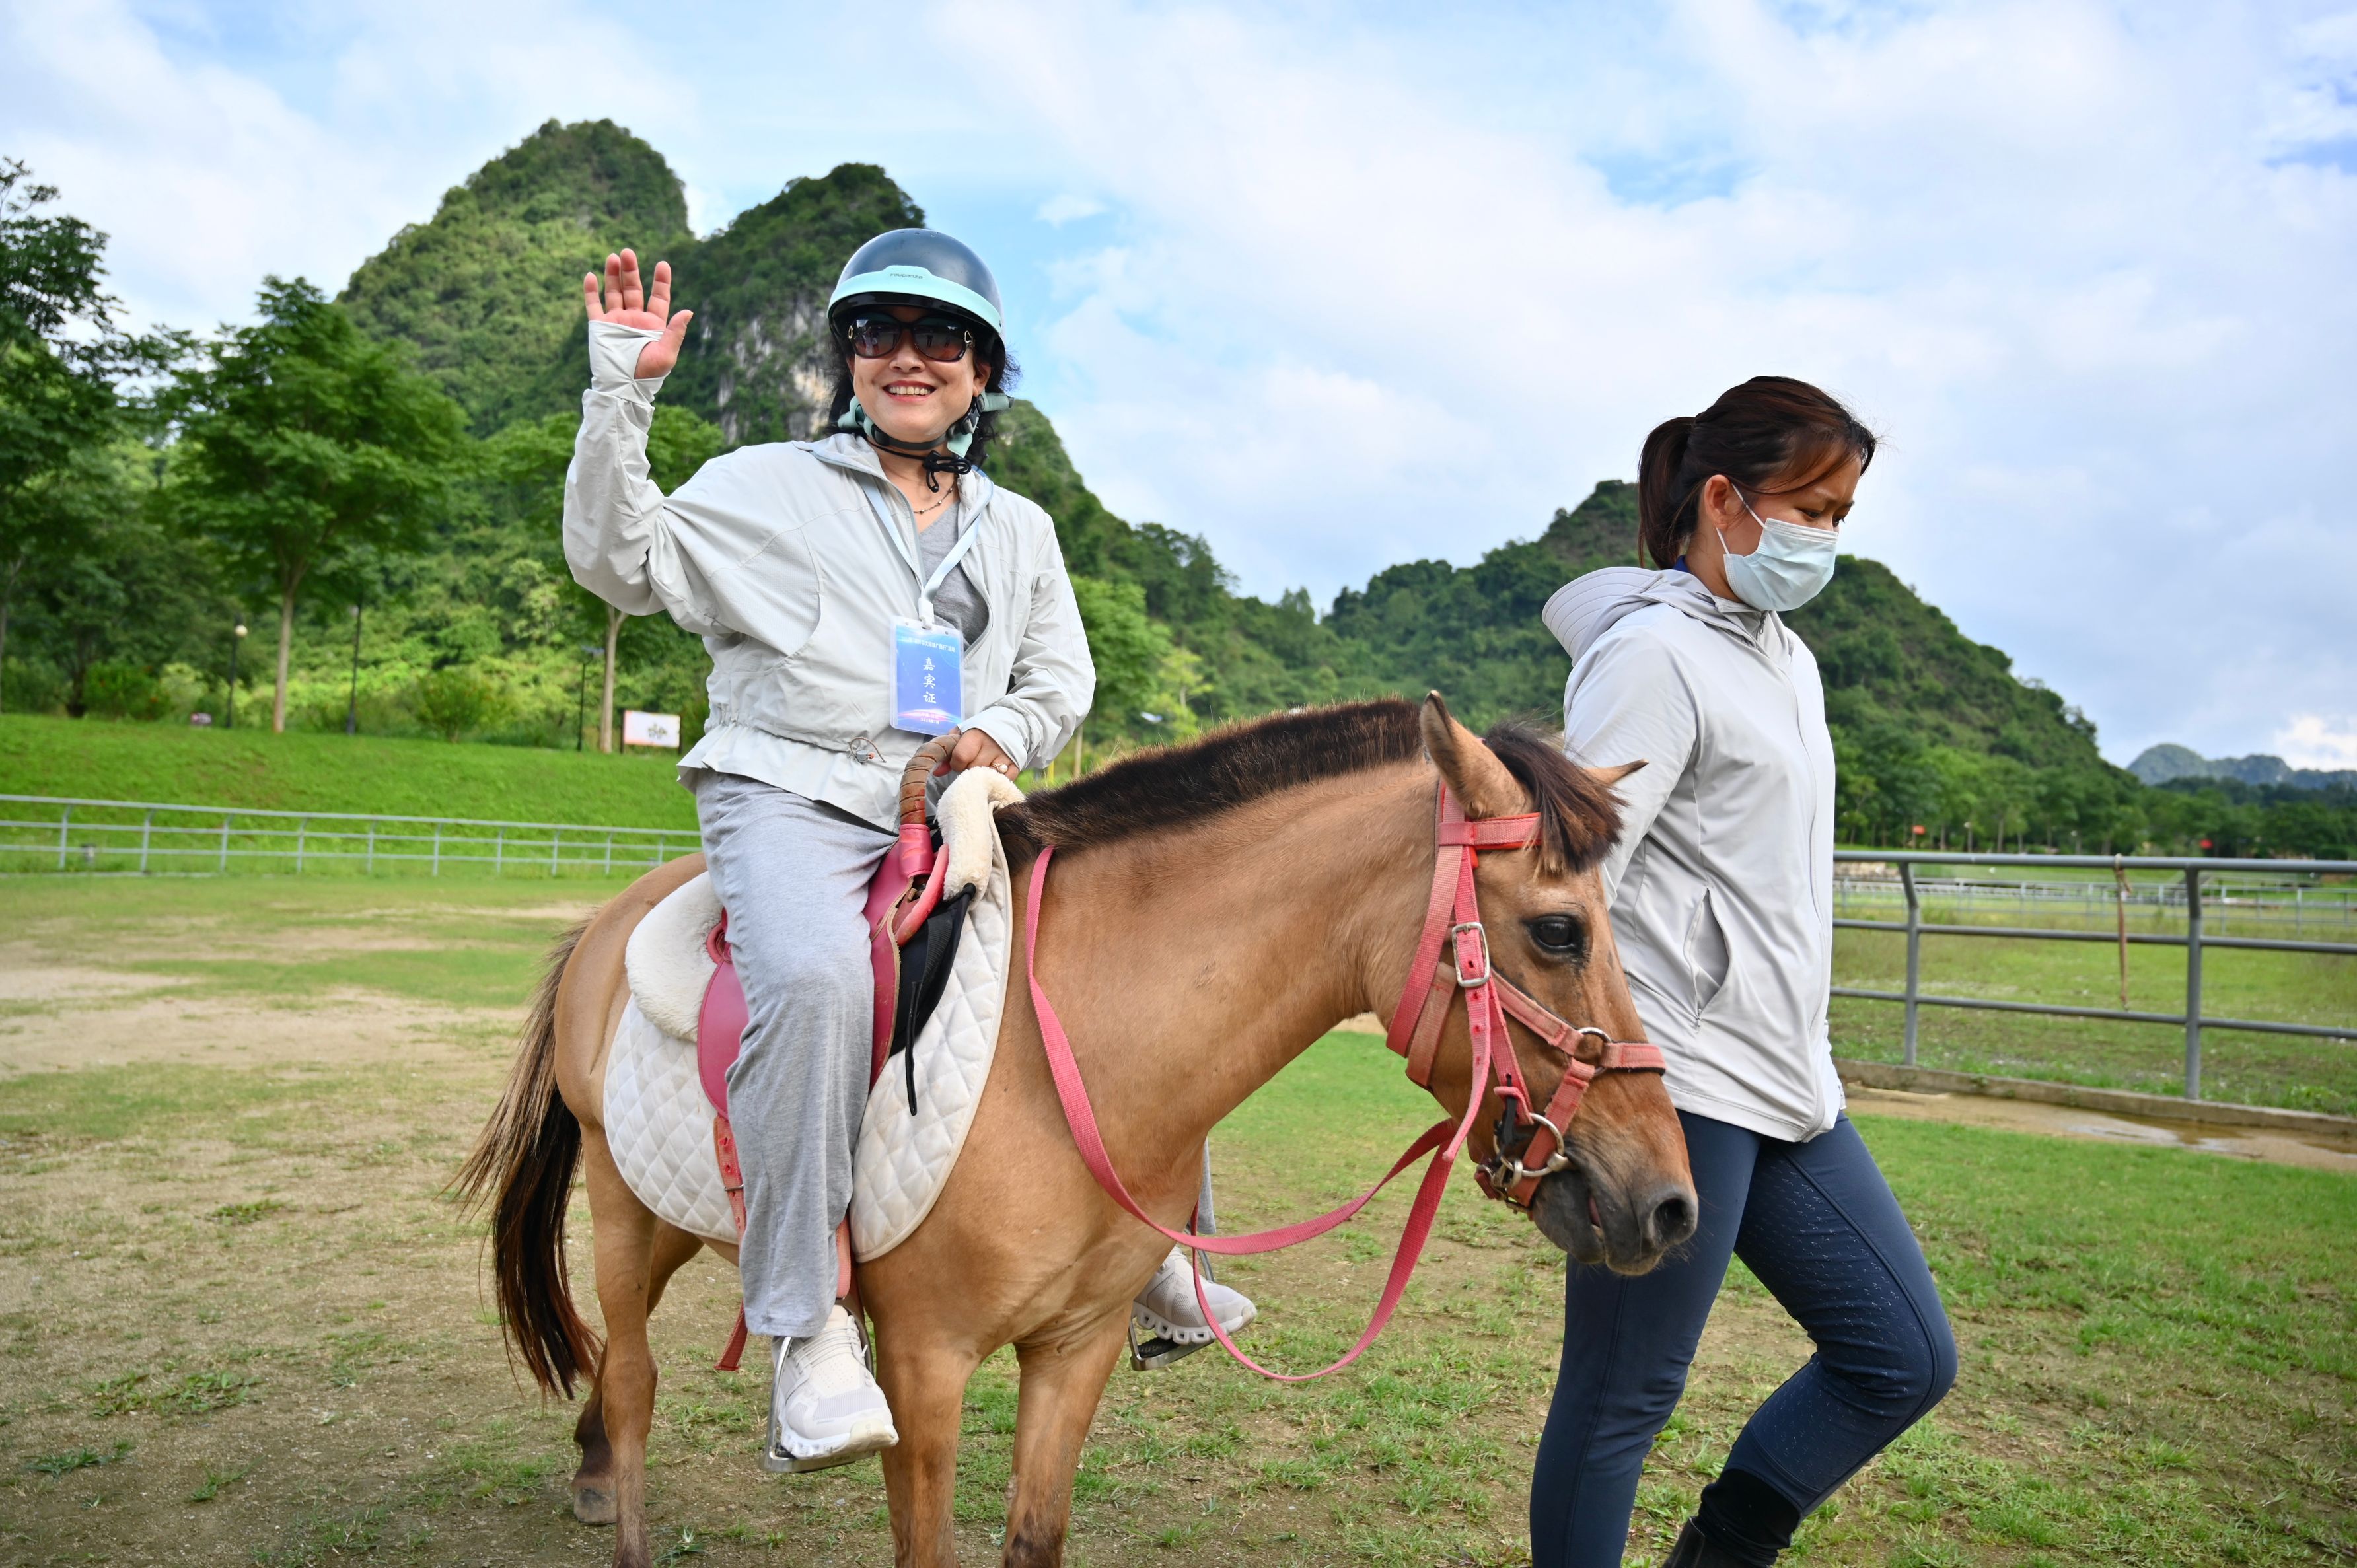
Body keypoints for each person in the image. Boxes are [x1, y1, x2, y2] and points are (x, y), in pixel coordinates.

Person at [564, 229, 1254, 1472]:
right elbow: (619, 562)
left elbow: (1063, 676)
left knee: (1138, 957)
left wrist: (999, 730)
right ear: (848, 359)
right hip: (794, 791)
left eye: (942, 337)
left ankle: (1162, 1247)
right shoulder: (764, 483)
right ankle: (805, 1328)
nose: (908, 357)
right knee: (822, 980)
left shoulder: (1022, 529)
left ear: (983, 371)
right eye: (877, 333)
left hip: (963, 801)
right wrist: (622, 391)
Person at [1530, 378, 1956, 1566]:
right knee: (1622, 1398)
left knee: (1905, 1354)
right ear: (1725, 500)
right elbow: (1569, 883)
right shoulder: (1652, 656)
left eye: (1843, 512)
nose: (1826, 534)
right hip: (1677, 1080)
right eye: (1811, 505)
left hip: (1789, 1078)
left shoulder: (1792, 662)